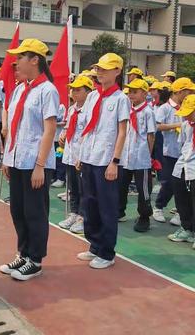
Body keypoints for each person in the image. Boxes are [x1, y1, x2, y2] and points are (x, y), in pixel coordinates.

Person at [0, 39, 59, 281]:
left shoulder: (48, 90)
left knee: (35, 211)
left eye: (20, 57)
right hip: (17, 159)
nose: (15, 62)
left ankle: (35, 259)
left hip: (35, 162)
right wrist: (7, 158)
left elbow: (49, 129)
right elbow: (14, 127)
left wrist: (40, 166)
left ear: (35, 60)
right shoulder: (20, 89)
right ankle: (23, 253)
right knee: (18, 210)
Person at [77, 53, 130, 269]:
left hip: (106, 160)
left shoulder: (120, 99)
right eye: (98, 68)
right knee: (89, 203)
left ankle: (107, 252)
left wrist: (114, 161)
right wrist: (81, 154)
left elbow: (122, 131)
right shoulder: (92, 97)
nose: (100, 72)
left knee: (107, 207)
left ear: (117, 71)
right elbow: (87, 128)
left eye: (105, 69)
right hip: (90, 156)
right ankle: (95, 245)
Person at [153, 78, 195, 224]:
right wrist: (177, 125)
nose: (191, 93)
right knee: (170, 183)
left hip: (185, 154)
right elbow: (157, 126)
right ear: (181, 91)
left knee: (184, 186)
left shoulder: (189, 105)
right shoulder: (165, 108)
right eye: (189, 91)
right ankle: (159, 206)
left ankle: (180, 212)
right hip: (170, 151)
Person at [119, 79, 157, 232]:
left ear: (144, 93)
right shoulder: (127, 110)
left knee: (143, 188)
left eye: (135, 92)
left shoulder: (148, 112)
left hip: (141, 156)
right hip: (125, 155)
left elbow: (151, 135)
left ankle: (144, 216)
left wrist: (148, 155)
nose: (131, 95)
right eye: (130, 92)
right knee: (121, 185)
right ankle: (119, 210)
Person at [58, 75, 93, 234]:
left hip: (83, 155)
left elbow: (89, 132)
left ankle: (83, 217)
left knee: (83, 188)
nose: (74, 93)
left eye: (78, 90)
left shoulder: (90, 110)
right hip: (70, 153)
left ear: (88, 91)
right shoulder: (72, 109)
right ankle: (73, 213)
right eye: (73, 90)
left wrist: (83, 155)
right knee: (72, 186)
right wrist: (63, 134)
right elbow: (68, 126)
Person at [168, 94, 195, 245]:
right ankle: (186, 228)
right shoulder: (185, 124)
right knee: (181, 198)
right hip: (183, 165)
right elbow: (183, 144)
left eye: (190, 112)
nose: (187, 116)